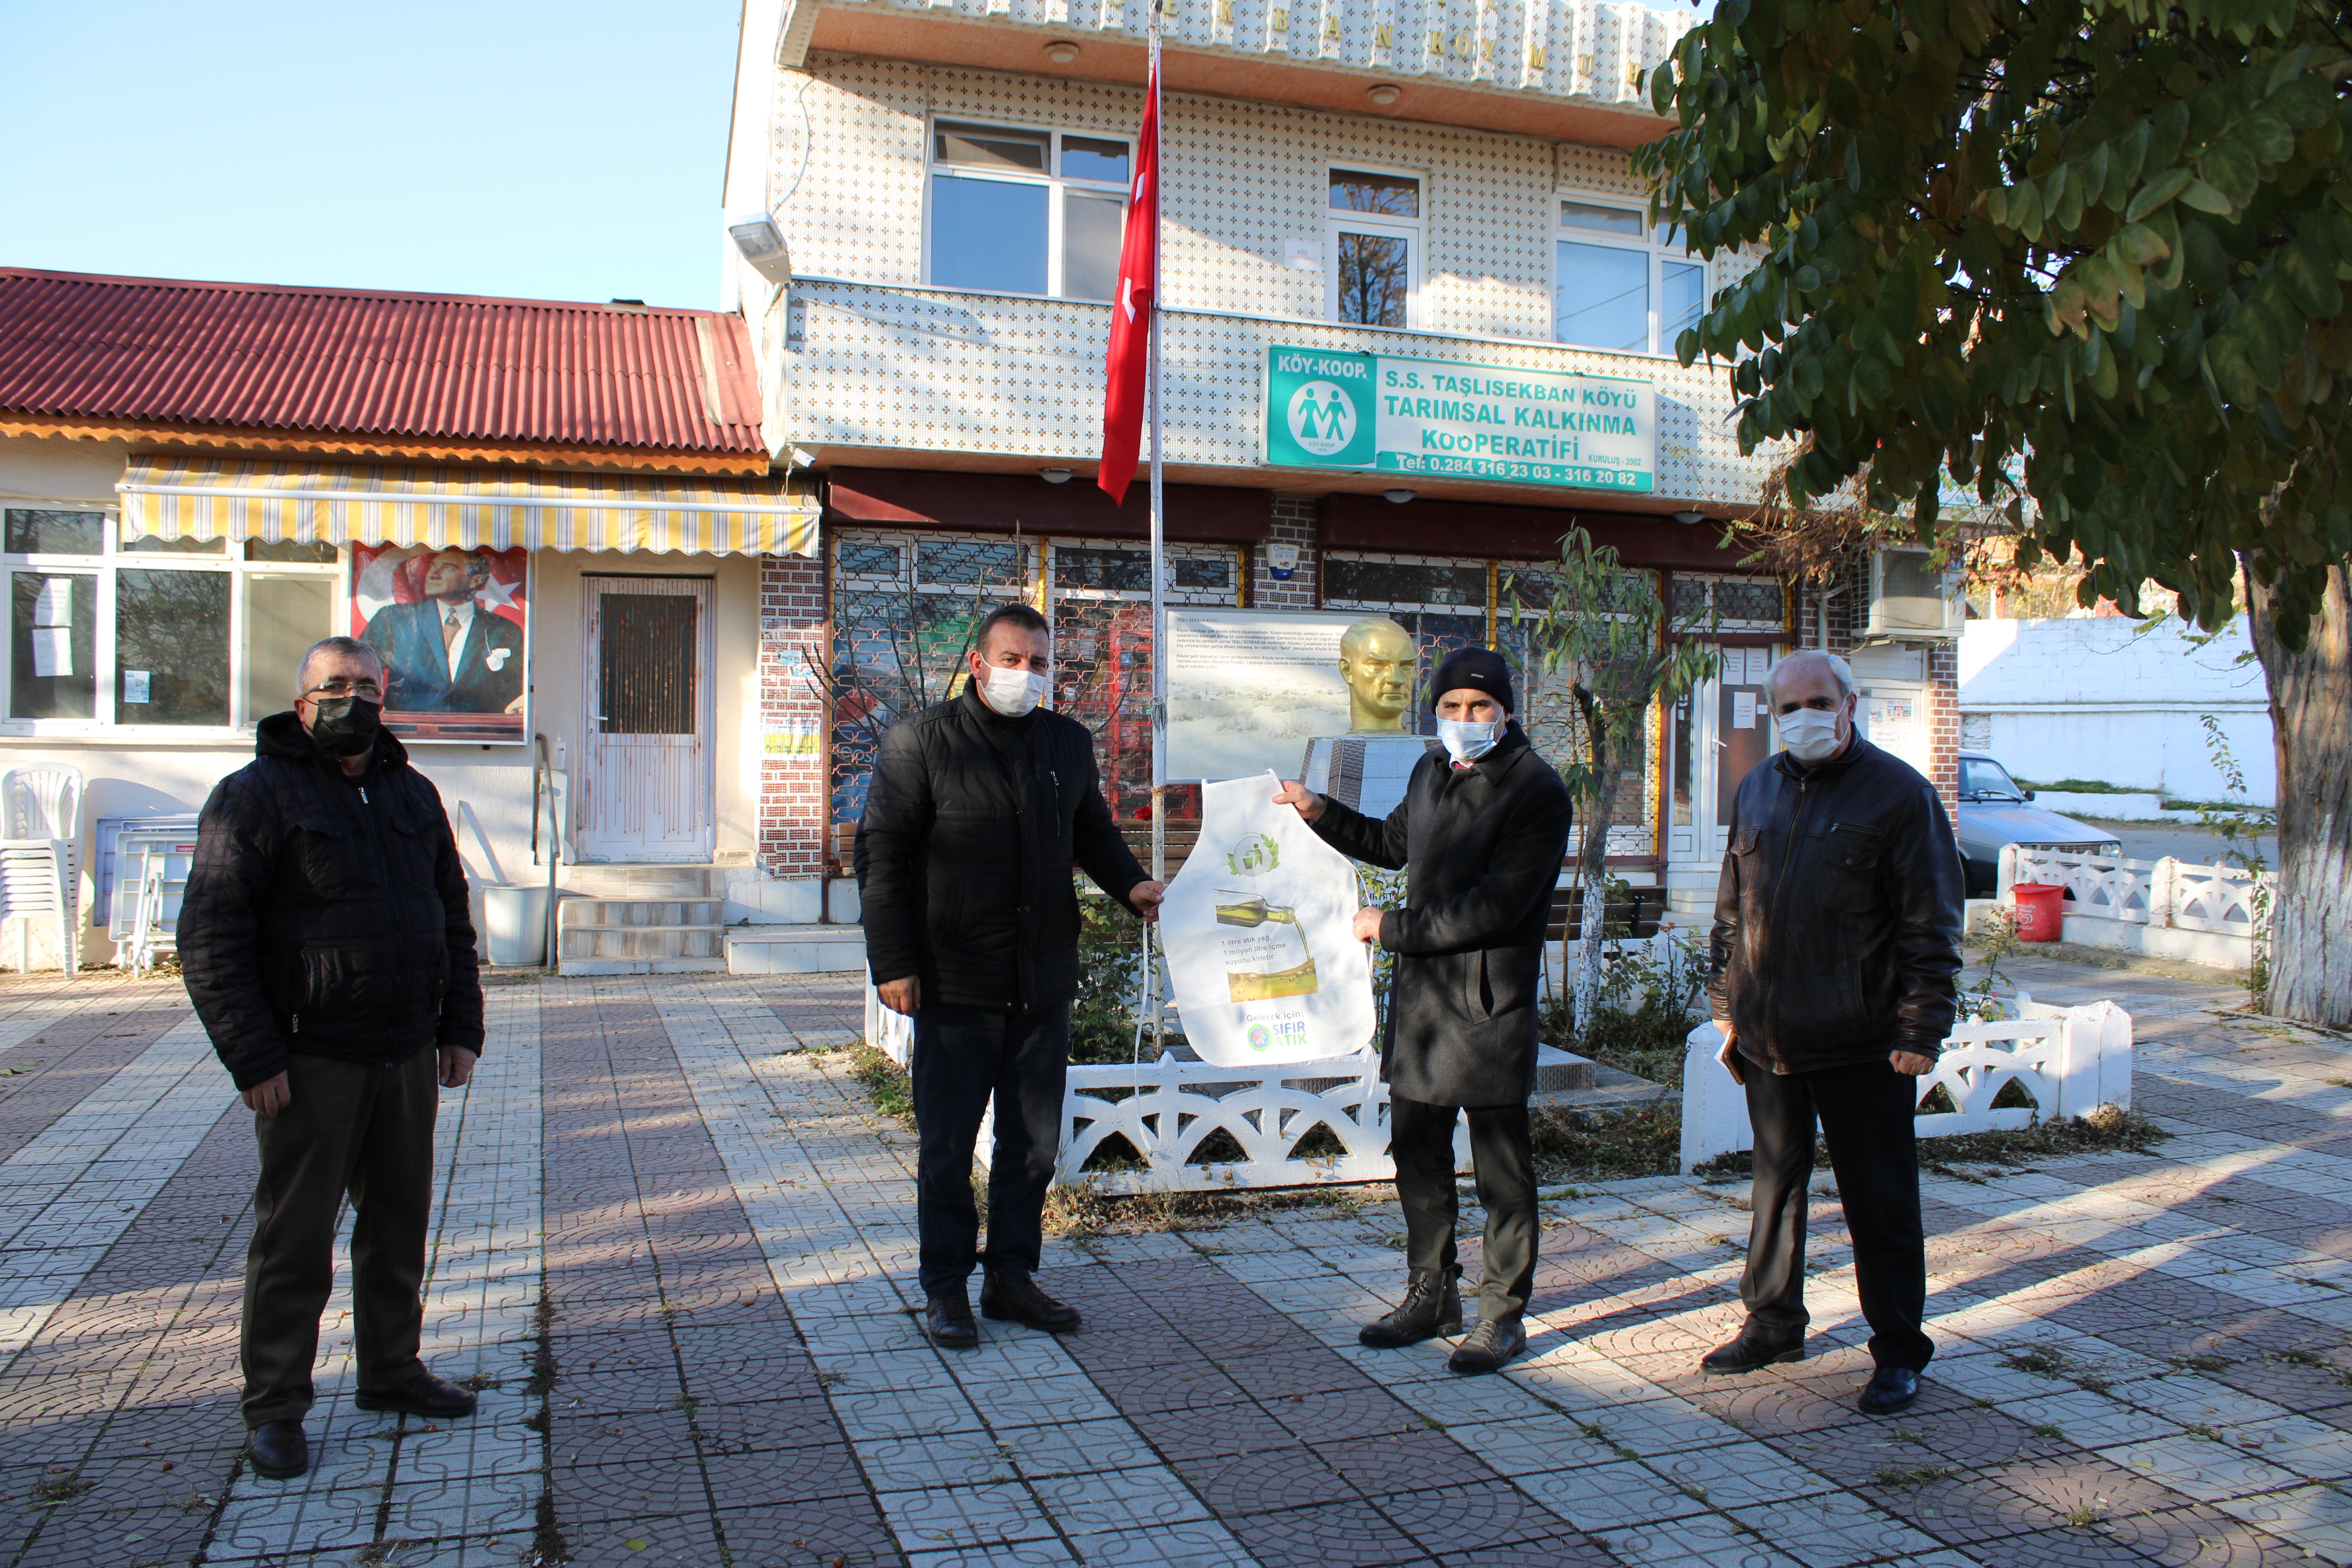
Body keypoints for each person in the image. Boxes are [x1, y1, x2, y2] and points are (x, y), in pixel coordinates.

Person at [178, 636, 486, 1480]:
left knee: (398, 1229)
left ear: (383, 696)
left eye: (362, 685)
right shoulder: (253, 797)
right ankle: (275, 1407)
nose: (347, 698)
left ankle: (391, 1370)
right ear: (301, 699)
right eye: (331, 686)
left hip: (405, 1054)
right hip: (309, 1059)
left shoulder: (411, 792)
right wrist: (254, 1058)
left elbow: (450, 916)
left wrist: (460, 1027)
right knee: (295, 1241)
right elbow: (210, 938)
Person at [857, 604, 1166, 1348]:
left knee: (1031, 1144)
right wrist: (893, 962)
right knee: (948, 1143)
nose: (1025, 674)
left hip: (1041, 981)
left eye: (1038, 662)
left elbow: (1091, 829)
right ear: (978, 663)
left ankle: (1011, 1279)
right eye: (1012, 659)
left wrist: (1133, 887)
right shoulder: (922, 743)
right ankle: (946, 1288)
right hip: (954, 981)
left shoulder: (1066, 741)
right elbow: (883, 855)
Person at [1275, 648, 1571, 1374]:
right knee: (1419, 1156)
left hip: (1488, 1007)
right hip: (1423, 1010)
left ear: (1506, 711)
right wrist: (1317, 809)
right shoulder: (1432, 771)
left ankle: (1503, 1314)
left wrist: (1393, 929)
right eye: (1450, 708)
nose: (1464, 720)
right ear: (1434, 713)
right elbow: (1389, 844)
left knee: (1502, 1170)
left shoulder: (1536, 790)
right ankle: (1431, 1293)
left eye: (1479, 707)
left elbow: (1501, 905)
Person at [1700, 648, 1964, 1416]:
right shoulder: (1758, 788)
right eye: (1788, 708)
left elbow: (1932, 925)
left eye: (1818, 703)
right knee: (1773, 1193)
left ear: (1851, 705)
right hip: (1769, 1038)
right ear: (1772, 715)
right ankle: (1774, 1322)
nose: (1803, 719)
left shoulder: (1900, 797)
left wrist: (1923, 1027)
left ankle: (1898, 1350)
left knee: (1879, 1204)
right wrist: (1726, 1001)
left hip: (1864, 1041)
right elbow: (1731, 909)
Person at [360, 548, 524, 714]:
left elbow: (514, 688)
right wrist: (368, 708)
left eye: (448, 568)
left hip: (480, 734)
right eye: (432, 566)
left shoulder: (503, 629)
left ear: (476, 581)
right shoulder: (394, 619)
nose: (433, 574)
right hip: (407, 733)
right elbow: (358, 670)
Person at [1338, 616, 1417, 733]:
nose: (1397, 679)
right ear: (1347, 671)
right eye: (1378, 665)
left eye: (1406, 666)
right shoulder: (1329, 749)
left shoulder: (1430, 750)